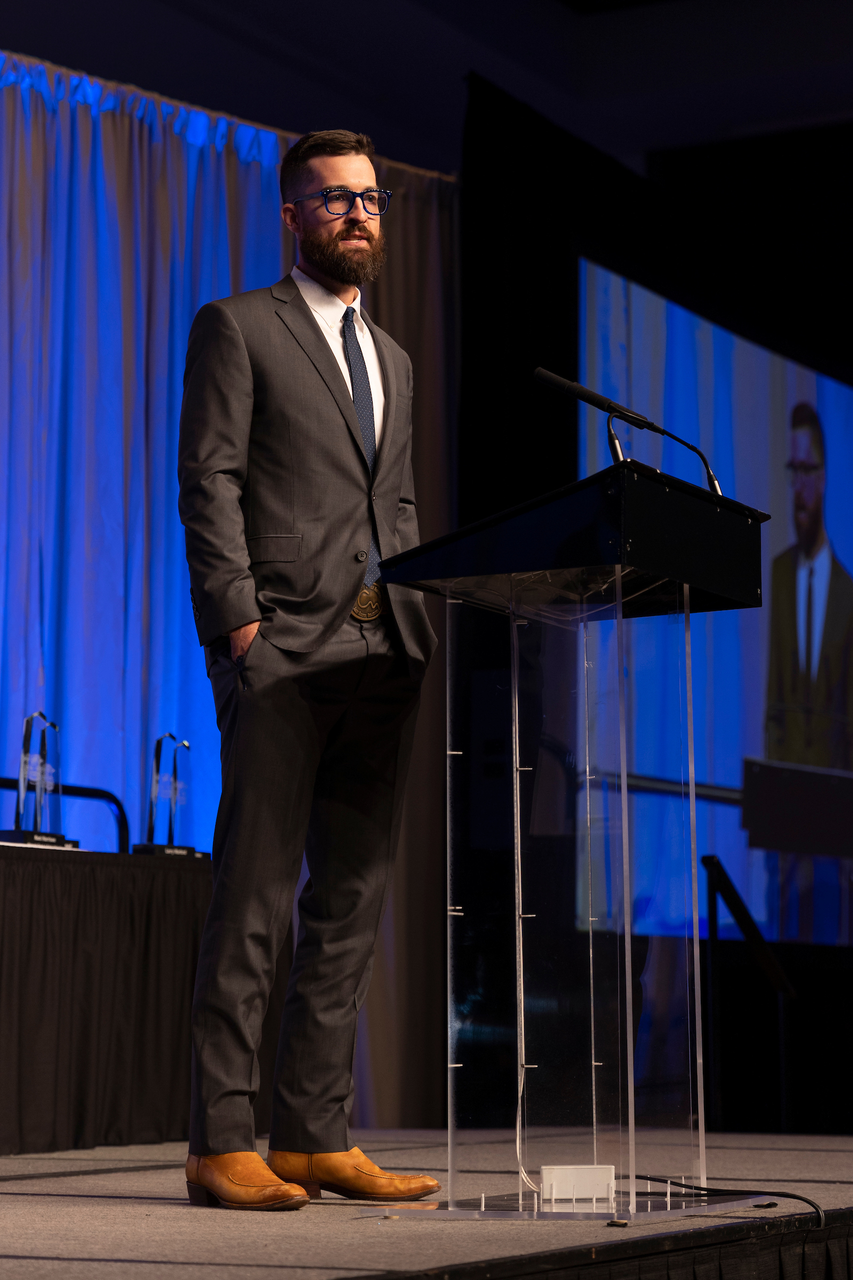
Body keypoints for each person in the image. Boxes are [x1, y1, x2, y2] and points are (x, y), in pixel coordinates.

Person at [177, 130, 439, 1211]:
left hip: (388, 648)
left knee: (350, 901)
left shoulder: (398, 360)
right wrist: (237, 626)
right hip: (282, 646)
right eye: (334, 200)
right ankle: (220, 1136)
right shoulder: (238, 326)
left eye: (369, 198)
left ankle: (314, 1132)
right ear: (292, 215)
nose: (357, 215)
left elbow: (394, 504)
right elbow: (210, 479)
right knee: (254, 895)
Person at [765, 402, 853, 769]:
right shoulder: (780, 573)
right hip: (785, 794)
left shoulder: (848, 593)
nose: (799, 486)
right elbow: (774, 706)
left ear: (824, 476)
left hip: (833, 801)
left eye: (808, 470)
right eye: (793, 470)